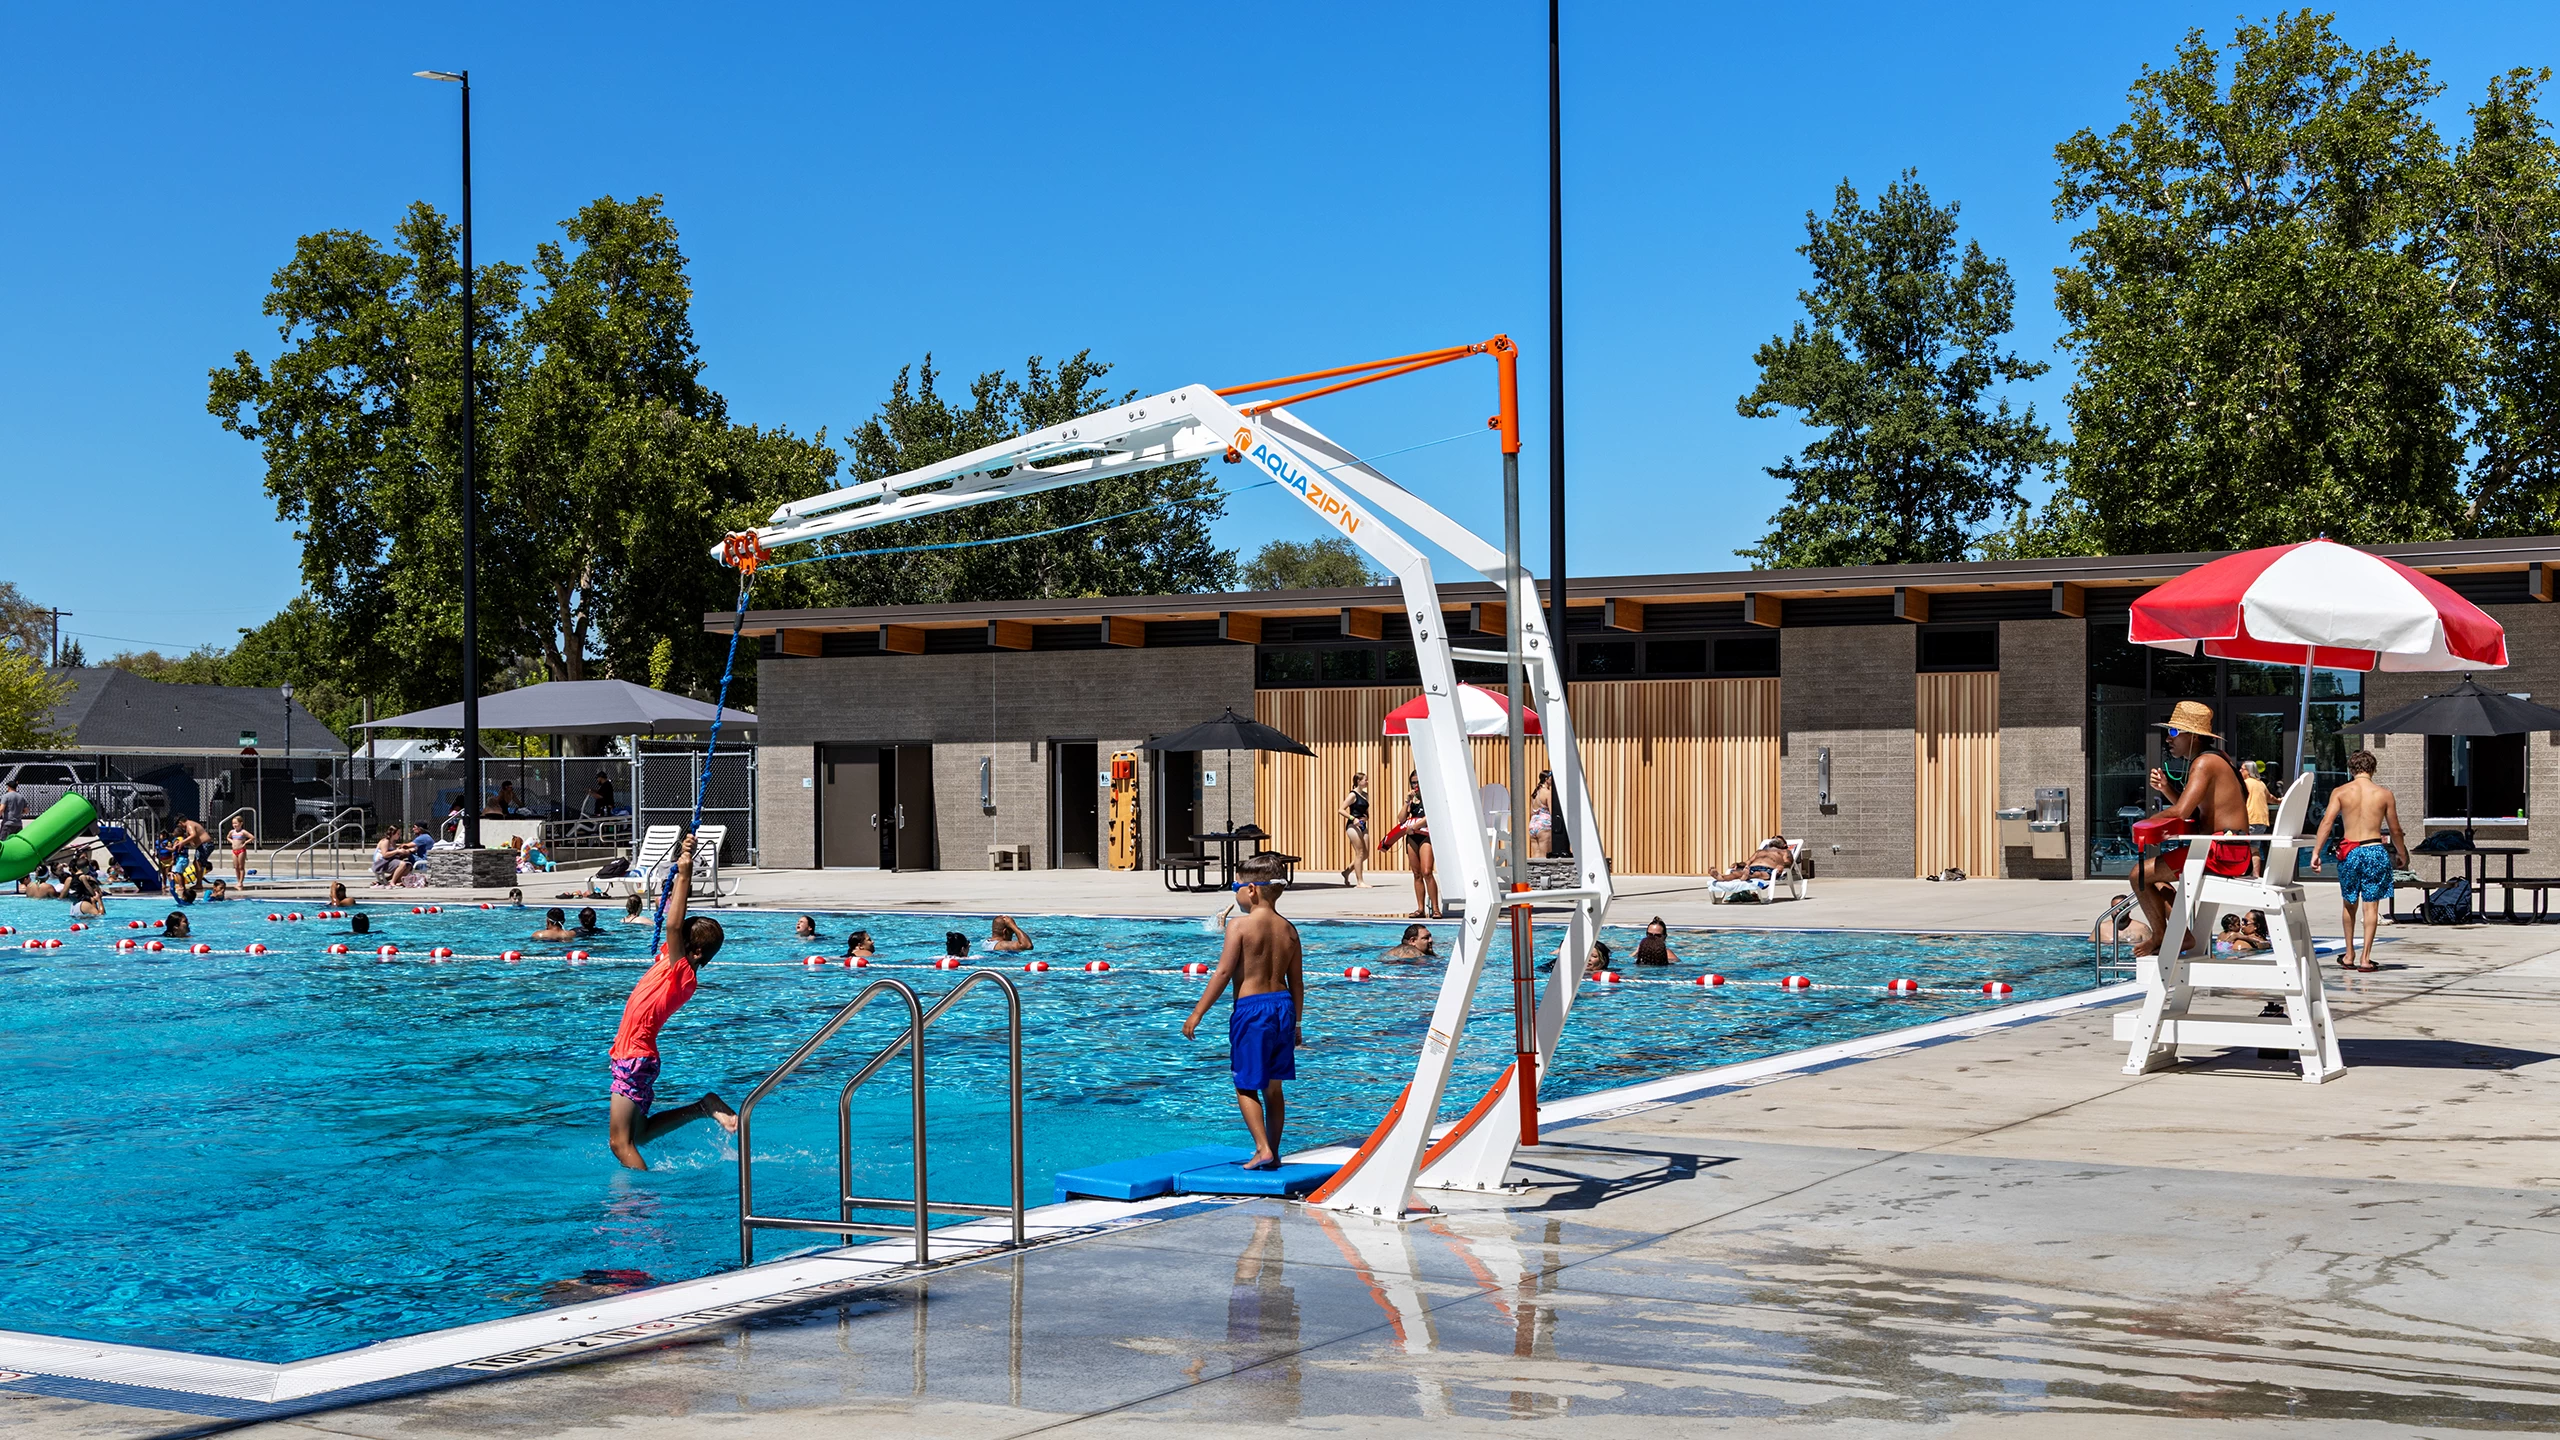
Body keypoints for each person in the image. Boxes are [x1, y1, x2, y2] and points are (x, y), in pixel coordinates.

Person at [606, 833, 737, 1170]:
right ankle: (703, 1107)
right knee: (643, 1134)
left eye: (679, 941)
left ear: (692, 952)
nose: (671, 940)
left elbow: (675, 924)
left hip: (634, 1056)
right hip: (634, 1056)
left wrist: (686, 871)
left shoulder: (682, 973)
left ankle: (638, 1209)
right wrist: (682, 860)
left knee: (621, 1144)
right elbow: (674, 921)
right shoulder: (672, 961)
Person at [1182, 854, 1305, 1172]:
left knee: (1245, 1084)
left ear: (1252, 890)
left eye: (1235, 885)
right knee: (1274, 1087)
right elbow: (1298, 982)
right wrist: (1298, 1024)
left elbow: (1222, 973)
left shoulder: (1239, 925)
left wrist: (1197, 1014)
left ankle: (1262, 1148)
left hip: (1252, 1012)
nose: (1233, 892)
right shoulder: (1290, 930)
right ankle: (1274, 1153)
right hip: (1284, 1009)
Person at [2132, 701, 2252, 958]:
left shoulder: (2204, 763)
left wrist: (2143, 826)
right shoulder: (2218, 759)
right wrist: (2166, 790)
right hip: (2228, 850)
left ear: (2194, 736)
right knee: (2156, 880)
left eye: (2174, 732)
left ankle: (2162, 935)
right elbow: (2197, 813)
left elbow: (2181, 813)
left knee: (2138, 874)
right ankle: (2180, 934)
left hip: (2221, 852)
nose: (2168, 738)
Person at [2309, 749, 2407, 973]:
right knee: (2370, 907)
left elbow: (2326, 822)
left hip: (2350, 851)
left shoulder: (2341, 792)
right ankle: (2366, 958)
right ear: (2373, 769)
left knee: (2348, 902)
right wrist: (2402, 852)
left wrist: (2316, 851)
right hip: (2374, 850)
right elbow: (2395, 829)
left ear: (2351, 769)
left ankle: (2349, 954)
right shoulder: (2384, 794)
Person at [1396, 772, 1438, 919]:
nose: (1415, 785)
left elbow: (1430, 817)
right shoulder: (1412, 801)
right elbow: (1401, 819)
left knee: (1427, 871)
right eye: (1413, 783)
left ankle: (1436, 907)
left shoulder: (1429, 798)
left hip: (1425, 836)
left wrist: (1415, 826)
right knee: (1416, 873)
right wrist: (1407, 802)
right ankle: (1420, 908)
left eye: (1418, 782)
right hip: (1413, 837)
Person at [1337, 773, 1371, 887]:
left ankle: (1347, 872)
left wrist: (1366, 817)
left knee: (1365, 854)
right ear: (1358, 781)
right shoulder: (1353, 795)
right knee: (1359, 852)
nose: (1367, 782)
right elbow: (1341, 810)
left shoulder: (1366, 795)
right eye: (1365, 780)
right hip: (1353, 825)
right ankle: (1360, 881)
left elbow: (1366, 812)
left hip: (1362, 825)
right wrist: (1353, 818)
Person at [2241, 761, 2275, 875]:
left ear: (2249, 771)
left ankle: (2242, 873)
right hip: (2262, 821)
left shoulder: (2245, 783)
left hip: (2250, 819)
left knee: (2242, 847)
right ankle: (2255, 875)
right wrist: (2281, 801)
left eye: (2242, 769)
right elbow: (2270, 798)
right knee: (2254, 848)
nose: (2240, 771)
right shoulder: (2261, 784)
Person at [1714, 837, 1794, 883]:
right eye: (1774, 838)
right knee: (1737, 873)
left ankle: (1747, 876)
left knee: (1758, 874)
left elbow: (1788, 862)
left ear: (1784, 844)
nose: (1775, 838)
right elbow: (1747, 862)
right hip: (1751, 868)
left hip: (1768, 869)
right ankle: (1722, 877)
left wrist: (1782, 866)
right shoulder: (1760, 851)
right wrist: (1738, 864)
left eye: (1778, 839)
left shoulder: (1785, 851)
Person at [1527, 770, 1556, 860]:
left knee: (1536, 855)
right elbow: (1552, 812)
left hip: (1533, 824)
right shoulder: (1547, 793)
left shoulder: (1535, 793)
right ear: (1547, 779)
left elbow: (1532, 812)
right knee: (1545, 857)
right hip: (1544, 825)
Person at [228, 816, 255, 888]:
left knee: (241, 867)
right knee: (236, 866)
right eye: (233, 823)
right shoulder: (232, 832)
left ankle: (241, 881)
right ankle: (238, 880)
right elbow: (228, 837)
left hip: (241, 850)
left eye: (236, 823)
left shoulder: (243, 832)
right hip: (234, 850)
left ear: (241, 823)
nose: (234, 825)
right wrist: (232, 842)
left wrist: (245, 843)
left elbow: (252, 837)